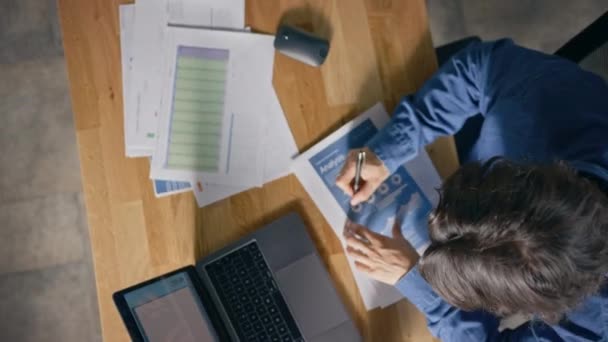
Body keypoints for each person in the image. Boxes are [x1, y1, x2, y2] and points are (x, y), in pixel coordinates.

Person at [335, 39, 608, 341]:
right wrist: (392, 147)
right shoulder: (553, 103)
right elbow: (478, 70)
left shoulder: (597, 328)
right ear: (512, 177)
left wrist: (417, 284)